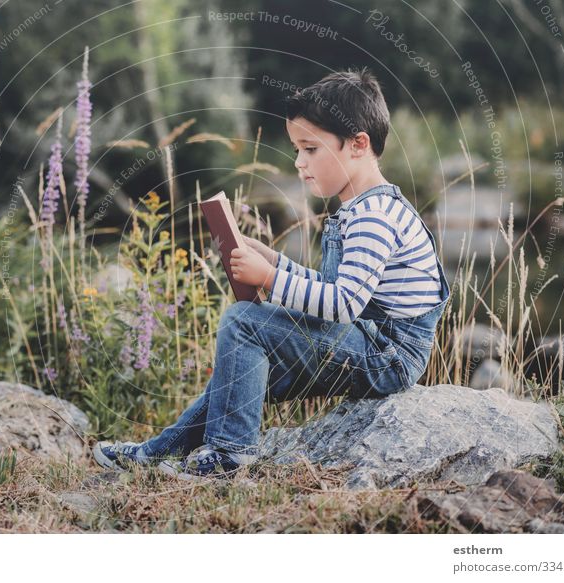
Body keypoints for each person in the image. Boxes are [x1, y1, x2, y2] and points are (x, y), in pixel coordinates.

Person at [93, 68, 451, 480]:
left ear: (358, 145)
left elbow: (346, 304)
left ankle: (230, 454)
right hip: (367, 341)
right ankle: (160, 451)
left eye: (310, 149)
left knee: (244, 323)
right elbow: (337, 290)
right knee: (239, 368)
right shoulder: (358, 209)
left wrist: (268, 279)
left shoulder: (373, 216)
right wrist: (277, 263)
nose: (299, 163)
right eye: (297, 149)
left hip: (387, 356)